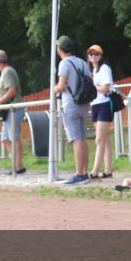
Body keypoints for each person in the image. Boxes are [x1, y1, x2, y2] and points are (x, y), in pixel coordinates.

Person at [52, 36, 91, 186]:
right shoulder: (82, 62)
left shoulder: (64, 63)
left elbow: (61, 86)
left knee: (76, 139)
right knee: (83, 138)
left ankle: (79, 174)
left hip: (71, 104)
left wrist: (55, 89)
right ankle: (85, 172)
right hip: (84, 104)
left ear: (59, 49)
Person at [0, 50, 26, 174]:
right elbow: (1, 91)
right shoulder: (5, 72)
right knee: (5, 139)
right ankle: (16, 164)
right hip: (8, 110)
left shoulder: (7, 71)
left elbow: (12, 90)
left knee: (14, 138)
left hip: (13, 109)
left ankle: (18, 167)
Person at [87, 44, 114, 179]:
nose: (93, 56)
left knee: (99, 139)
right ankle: (108, 170)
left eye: (96, 54)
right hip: (95, 105)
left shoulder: (105, 68)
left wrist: (93, 87)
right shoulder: (92, 70)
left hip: (104, 104)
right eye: (91, 54)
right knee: (105, 139)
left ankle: (95, 171)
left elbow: (105, 88)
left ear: (101, 56)